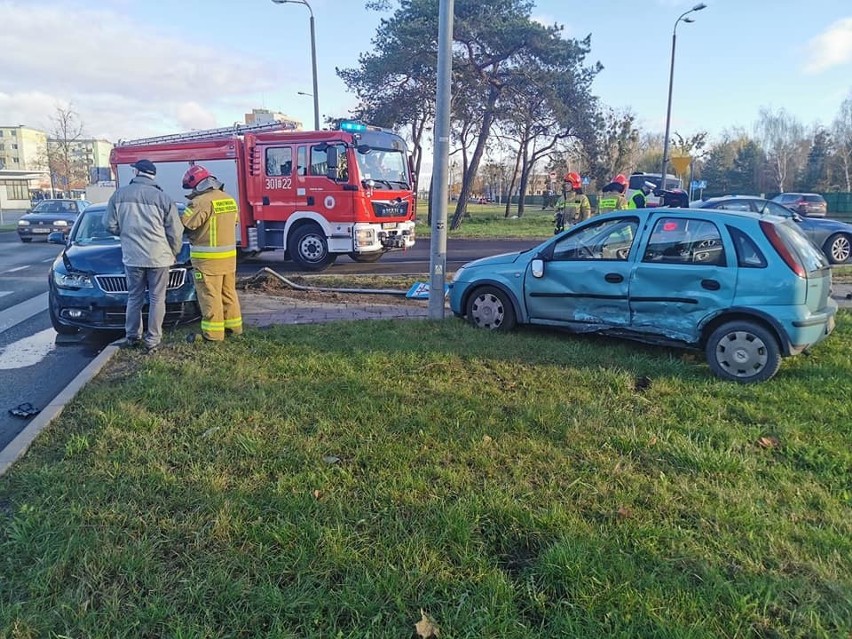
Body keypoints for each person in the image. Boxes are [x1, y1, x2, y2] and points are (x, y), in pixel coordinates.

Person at [104, 159, 182, 354]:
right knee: (157, 298)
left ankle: (132, 336)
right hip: (159, 257)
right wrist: (173, 251)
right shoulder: (163, 198)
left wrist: (125, 233)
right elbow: (175, 230)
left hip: (132, 257)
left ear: (136, 173)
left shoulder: (119, 195)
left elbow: (108, 224)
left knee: (134, 297)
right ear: (153, 176)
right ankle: (153, 340)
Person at [180, 164, 243, 342]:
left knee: (210, 295)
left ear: (198, 185)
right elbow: (234, 223)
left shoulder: (200, 202)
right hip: (229, 259)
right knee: (228, 292)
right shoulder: (229, 199)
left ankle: (213, 335)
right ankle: (234, 328)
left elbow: (185, 224)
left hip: (207, 261)